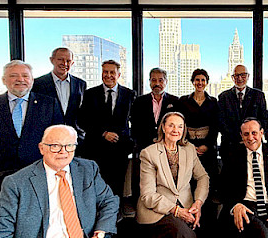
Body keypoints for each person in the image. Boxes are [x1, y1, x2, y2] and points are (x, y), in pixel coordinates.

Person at [0, 60, 63, 215]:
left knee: (36, 225)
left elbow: (59, 142)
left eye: (25, 76)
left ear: (32, 80)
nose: (20, 79)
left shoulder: (49, 104)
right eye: (13, 76)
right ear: (4, 80)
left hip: (38, 177)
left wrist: (61, 174)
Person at [136, 112, 209, 238]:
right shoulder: (149, 153)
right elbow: (147, 196)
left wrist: (197, 204)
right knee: (183, 232)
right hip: (157, 211)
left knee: (205, 232)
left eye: (180, 126)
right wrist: (176, 210)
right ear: (163, 127)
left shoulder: (189, 149)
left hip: (187, 207)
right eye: (171, 125)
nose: (175, 130)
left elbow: (203, 177)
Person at [78, 60, 135, 198]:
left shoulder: (129, 94)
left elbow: (135, 121)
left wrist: (130, 143)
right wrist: (103, 133)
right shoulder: (90, 94)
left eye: (112, 72)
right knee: (94, 187)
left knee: (117, 188)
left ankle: (115, 216)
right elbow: (82, 120)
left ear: (119, 74)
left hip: (119, 150)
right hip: (95, 149)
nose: (108, 75)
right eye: (105, 72)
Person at [130, 68, 179, 201]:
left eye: (160, 80)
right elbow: (134, 126)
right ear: (149, 82)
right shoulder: (139, 101)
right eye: (153, 80)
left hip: (166, 149)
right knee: (143, 182)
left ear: (166, 81)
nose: (157, 83)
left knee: (163, 183)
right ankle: (140, 210)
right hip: (144, 148)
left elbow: (178, 127)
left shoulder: (175, 101)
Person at [32, 47, 87, 143]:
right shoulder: (37, 84)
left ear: (72, 63)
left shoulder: (80, 84)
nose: (64, 64)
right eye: (60, 59)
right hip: (48, 138)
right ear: (52, 60)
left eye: (68, 61)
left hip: (75, 138)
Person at [178, 68, 220, 186]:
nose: (200, 83)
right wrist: (189, 146)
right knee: (188, 179)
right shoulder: (183, 101)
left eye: (203, 80)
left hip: (207, 146)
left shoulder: (213, 102)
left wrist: (206, 146)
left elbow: (215, 126)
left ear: (207, 82)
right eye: (197, 80)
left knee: (208, 177)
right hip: (187, 144)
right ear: (192, 81)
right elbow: (181, 124)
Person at [218, 65, 267, 159]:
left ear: (248, 76)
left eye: (243, 75)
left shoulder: (258, 95)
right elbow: (221, 123)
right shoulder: (224, 97)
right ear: (232, 78)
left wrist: (249, 137)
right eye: (236, 76)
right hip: (230, 146)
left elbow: (263, 119)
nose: (239, 78)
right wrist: (240, 138)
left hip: (253, 145)